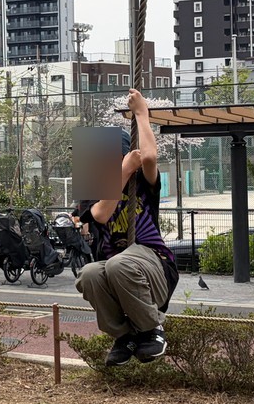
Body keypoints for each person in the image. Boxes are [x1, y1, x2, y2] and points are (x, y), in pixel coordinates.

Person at [76, 89, 179, 365]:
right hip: (120, 275)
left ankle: (152, 329)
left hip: (153, 267)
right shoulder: (95, 192)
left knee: (117, 264)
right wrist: (120, 172)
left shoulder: (143, 184)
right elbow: (100, 214)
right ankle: (125, 336)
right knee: (89, 273)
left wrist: (141, 113)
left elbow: (149, 158)